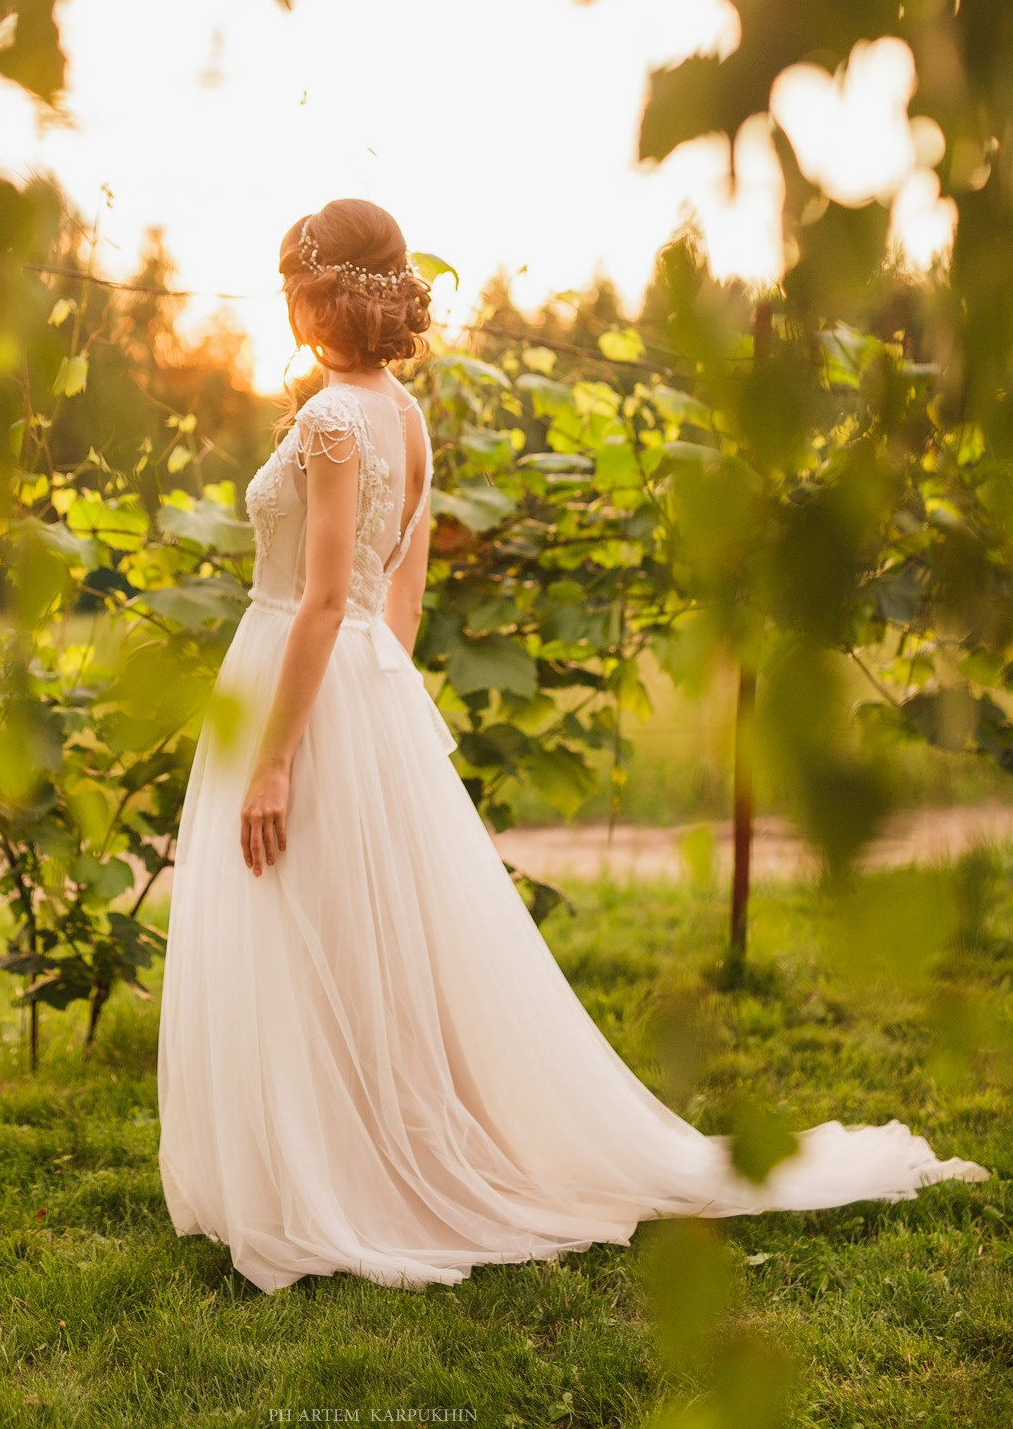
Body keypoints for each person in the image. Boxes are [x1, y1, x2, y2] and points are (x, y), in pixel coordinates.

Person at [155, 197, 988, 1294]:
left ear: (321, 295)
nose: (290, 309)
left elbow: (318, 601)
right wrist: (375, 707)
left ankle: (334, 1175)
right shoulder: (403, 416)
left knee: (300, 924)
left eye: (294, 289)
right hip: (362, 687)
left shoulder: (330, 419)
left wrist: (274, 760)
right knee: (348, 933)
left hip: (300, 680)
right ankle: (338, 1154)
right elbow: (398, 601)